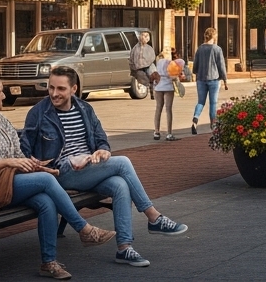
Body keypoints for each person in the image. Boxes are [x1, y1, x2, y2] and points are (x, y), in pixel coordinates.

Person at [21, 67, 188, 268]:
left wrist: (102, 152)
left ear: (74, 88)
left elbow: (101, 139)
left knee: (119, 184)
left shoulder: (85, 109)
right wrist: (42, 166)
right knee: (124, 162)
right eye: (51, 87)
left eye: (61, 89)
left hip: (89, 167)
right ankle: (153, 217)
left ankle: (124, 248)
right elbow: (24, 150)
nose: (54, 93)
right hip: (61, 173)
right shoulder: (39, 113)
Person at [0, 75, 115, 280]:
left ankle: (48, 263)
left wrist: (38, 168)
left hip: (10, 182)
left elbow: (18, 155)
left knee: (46, 201)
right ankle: (84, 229)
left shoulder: (0, 121)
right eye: (0, 91)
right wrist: (9, 162)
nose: (4, 95)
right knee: (47, 183)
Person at [190, 27, 228, 136]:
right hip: (214, 79)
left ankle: (195, 120)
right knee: (213, 103)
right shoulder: (217, 49)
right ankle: (213, 125)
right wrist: (225, 80)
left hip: (201, 79)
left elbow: (195, 66)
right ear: (214, 36)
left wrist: (196, 72)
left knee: (200, 102)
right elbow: (221, 66)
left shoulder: (200, 49)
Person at [151, 47, 182, 141]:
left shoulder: (157, 63)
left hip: (158, 87)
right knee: (168, 110)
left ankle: (156, 132)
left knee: (158, 108)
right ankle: (169, 133)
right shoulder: (170, 63)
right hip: (168, 86)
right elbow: (173, 75)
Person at [129, 31, 155, 96]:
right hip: (138, 67)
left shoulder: (149, 48)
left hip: (148, 66)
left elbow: (152, 57)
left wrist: (148, 64)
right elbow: (132, 57)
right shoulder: (135, 48)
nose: (145, 38)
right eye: (143, 36)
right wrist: (133, 66)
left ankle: (153, 93)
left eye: (147, 37)